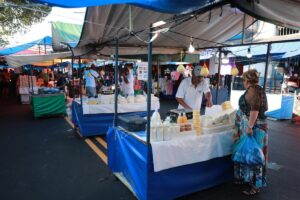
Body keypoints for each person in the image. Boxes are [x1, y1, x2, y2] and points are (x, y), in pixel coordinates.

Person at [233, 69, 268, 196]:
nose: (243, 82)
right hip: (258, 126)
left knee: (253, 155)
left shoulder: (253, 90)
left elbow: (255, 110)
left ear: (247, 80)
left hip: (254, 128)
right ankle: (250, 181)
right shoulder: (258, 89)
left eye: (243, 79)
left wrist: (249, 127)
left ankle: (254, 185)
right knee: (254, 153)